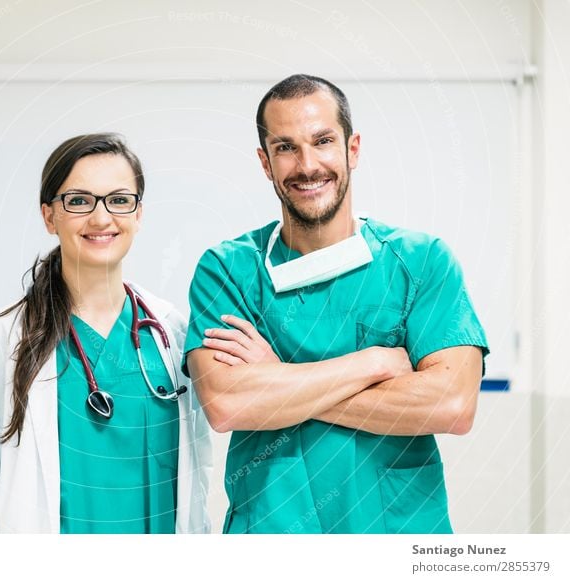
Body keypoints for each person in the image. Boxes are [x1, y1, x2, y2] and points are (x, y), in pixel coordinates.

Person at [184, 75, 489, 534]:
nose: (307, 165)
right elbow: (228, 403)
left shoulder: (421, 261)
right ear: (265, 163)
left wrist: (278, 381)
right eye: (285, 148)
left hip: (398, 535)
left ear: (353, 148)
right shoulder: (228, 270)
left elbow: (452, 404)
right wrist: (372, 363)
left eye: (323, 141)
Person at [0, 133, 211, 534]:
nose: (101, 218)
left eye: (119, 200)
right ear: (49, 216)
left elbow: (195, 479)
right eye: (79, 201)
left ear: (138, 214)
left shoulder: (173, 333)